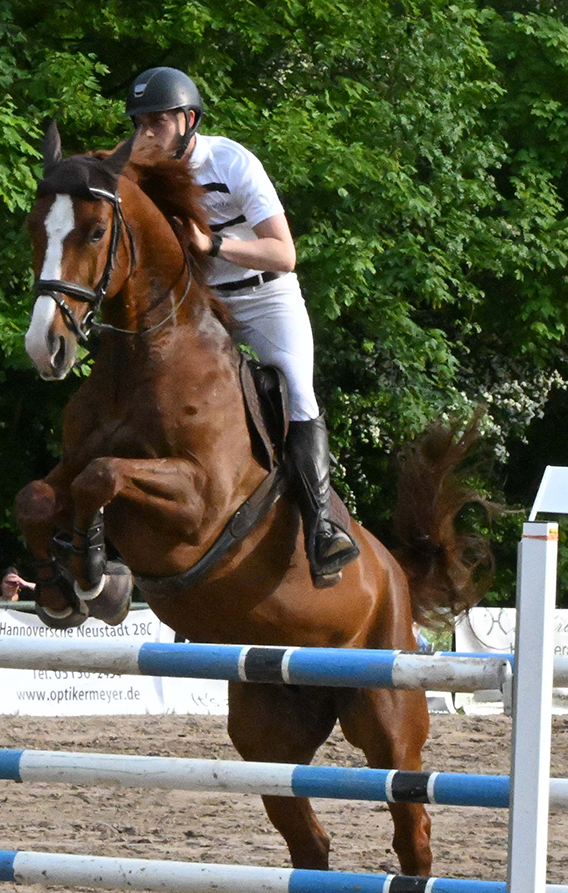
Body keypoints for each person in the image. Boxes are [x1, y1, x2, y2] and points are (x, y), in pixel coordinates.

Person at [126, 66, 359, 587]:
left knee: (299, 394)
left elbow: (284, 253)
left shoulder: (232, 161)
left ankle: (322, 531)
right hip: (200, 303)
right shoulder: (139, 167)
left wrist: (212, 244)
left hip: (265, 297)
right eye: (140, 123)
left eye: (158, 122)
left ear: (189, 120)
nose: (147, 134)